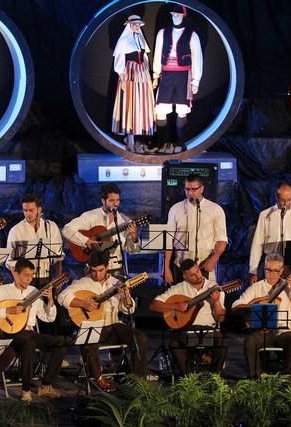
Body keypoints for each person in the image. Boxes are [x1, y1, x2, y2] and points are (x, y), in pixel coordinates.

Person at [0, 258, 67, 402]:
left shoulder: (34, 291)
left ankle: (45, 386)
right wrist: (9, 310)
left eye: (32, 275)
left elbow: (48, 318)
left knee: (60, 344)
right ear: (15, 274)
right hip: (10, 333)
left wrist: (51, 300)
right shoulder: (4, 290)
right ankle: (26, 390)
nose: (29, 279)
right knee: (30, 344)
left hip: (30, 333)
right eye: (26, 275)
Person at [58, 250, 148, 391]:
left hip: (113, 326)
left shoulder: (117, 283)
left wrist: (125, 297)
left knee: (140, 338)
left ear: (107, 267)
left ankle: (138, 379)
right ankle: (98, 378)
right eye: (93, 271)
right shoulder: (83, 283)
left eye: (100, 270)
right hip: (94, 327)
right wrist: (83, 303)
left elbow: (129, 310)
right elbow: (62, 296)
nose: (97, 274)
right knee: (89, 339)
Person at [232, 253, 291, 379]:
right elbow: (236, 306)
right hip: (263, 331)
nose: (271, 274)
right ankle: (255, 379)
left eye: (275, 271)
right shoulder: (257, 287)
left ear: (281, 271)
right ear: (264, 269)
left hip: (285, 330)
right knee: (250, 341)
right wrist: (257, 302)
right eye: (268, 270)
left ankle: (289, 381)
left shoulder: (290, 287)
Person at [150, 259, 227, 376]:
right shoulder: (179, 288)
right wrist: (175, 306)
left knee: (222, 343)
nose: (197, 276)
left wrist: (215, 302)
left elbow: (221, 318)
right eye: (192, 275)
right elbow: (154, 305)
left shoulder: (213, 287)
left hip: (208, 330)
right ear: (185, 276)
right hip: (185, 331)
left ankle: (214, 377)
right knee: (175, 343)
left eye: (197, 271)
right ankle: (188, 378)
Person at [152, 3, 203, 154]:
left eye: (178, 15)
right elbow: (157, 53)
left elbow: (197, 58)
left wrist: (196, 81)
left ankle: (180, 143)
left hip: (183, 75)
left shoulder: (192, 35)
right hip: (166, 74)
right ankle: (162, 143)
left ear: (183, 16)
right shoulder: (163, 33)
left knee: (182, 109)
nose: (175, 17)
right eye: (173, 15)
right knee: (161, 109)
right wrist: (156, 74)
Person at [163, 174, 227, 285]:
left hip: (203, 265)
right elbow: (169, 240)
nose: (190, 193)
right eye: (187, 189)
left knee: (204, 300)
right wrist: (166, 268)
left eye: (194, 189)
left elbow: (221, 240)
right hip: (181, 266)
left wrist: (213, 259)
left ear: (202, 189)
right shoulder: (175, 209)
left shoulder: (215, 209)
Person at [62, 183, 140, 273]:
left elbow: (133, 250)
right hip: (94, 270)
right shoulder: (90, 216)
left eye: (118, 200)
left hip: (116, 269)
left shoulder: (125, 221)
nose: (115, 204)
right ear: (103, 201)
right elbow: (67, 229)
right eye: (111, 200)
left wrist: (134, 236)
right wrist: (86, 241)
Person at [249, 182, 291, 284]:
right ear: (276, 197)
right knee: (272, 297)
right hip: (271, 266)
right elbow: (257, 244)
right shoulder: (265, 215)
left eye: (289, 200)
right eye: (282, 200)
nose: (286, 203)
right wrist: (253, 271)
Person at [111, 15, 155, 154]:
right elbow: (119, 58)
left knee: (141, 105)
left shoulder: (140, 38)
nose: (137, 26)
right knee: (130, 104)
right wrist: (122, 75)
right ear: (129, 25)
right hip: (130, 73)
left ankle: (135, 138)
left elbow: (145, 56)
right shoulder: (124, 40)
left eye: (138, 24)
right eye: (135, 24)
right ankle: (130, 139)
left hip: (142, 74)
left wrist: (147, 72)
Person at [5, 194, 64, 288]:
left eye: (31, 210)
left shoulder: (51, 226)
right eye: (25, 210)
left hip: (46, 277)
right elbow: (11, 262)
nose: (28, 214)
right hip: (25, 279)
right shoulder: (16, 230)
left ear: (39, 209)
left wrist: (58, 279)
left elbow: (58, 256)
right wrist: (19, 282)